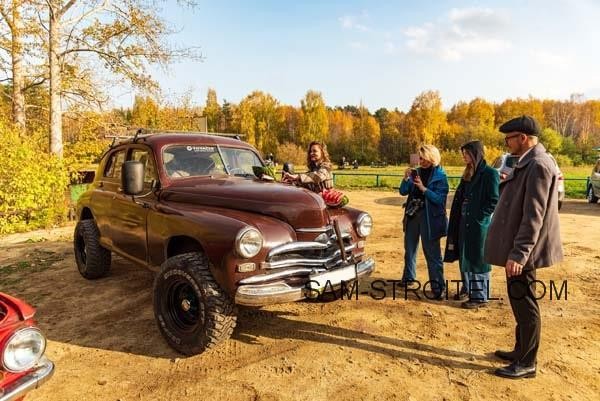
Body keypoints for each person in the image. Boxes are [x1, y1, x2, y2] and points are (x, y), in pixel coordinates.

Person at [484, 115, 563, 379]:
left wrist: (519, 254)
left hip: (525, 253)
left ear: (523, 138)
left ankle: (528, 361)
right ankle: (520, 350)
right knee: (519, 301)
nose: (507, 143)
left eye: (509, 138)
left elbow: (534, 216)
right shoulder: (528, 162)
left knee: (525, 303)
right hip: (521, 249)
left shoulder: (538, 164)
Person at [444, 140, 499, 308]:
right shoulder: (468, 172)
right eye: (463, 154)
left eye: (466, 153)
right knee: (464, 255)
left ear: (476, 154)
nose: (464, 156)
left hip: (478, 224)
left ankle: (480, 296)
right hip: (463, 221)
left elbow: (494, 199)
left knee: (478, 258)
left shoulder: (489, 173)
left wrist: (480, 216)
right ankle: (468, 288)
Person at [399, 144, 449, 299]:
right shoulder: (416, 172)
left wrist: (423, 188)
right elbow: (403, 191)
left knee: (433, 254)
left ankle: (438, 288)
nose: (421, 161)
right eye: (419, 158)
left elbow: (440, 200)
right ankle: (408, 278)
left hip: (430, 219)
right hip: (413, 215)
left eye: (424, 158)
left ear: (432, 158)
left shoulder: (441, 176)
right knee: (410, 249)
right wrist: (406, 178)